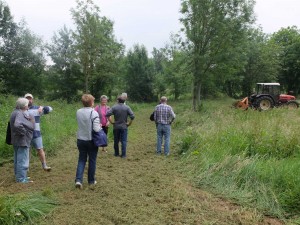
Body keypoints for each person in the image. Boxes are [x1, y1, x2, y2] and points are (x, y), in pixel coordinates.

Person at [75, 94, 101, 189]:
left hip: (80, 139)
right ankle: (91, 181)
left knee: (81, 159)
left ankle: (78, 180)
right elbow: (96, 129)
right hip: (91, 140)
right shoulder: (94, 113)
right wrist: (100, 126)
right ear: (91, 102)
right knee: (92, 160)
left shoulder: (78, 112)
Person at [25, 93, 52, 171]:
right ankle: (26, 168)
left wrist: (42, 107)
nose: (28, 100)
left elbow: (50, 109)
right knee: (27, 151)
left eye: (30, 98)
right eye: (27, 98)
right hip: (26, 134)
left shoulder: (37, 108)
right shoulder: (22, 109)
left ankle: (44, 166)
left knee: (40, 150)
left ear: (32, 100)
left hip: (36, 133)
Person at [10, 97, 35, 183]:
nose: (28, 106)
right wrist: (23, 132)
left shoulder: (15, 112)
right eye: (27, 104)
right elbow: (17, 125)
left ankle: (19, 176)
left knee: (17, 159)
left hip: (16, 139)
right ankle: (21, 179)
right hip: (22, 140)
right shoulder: (20, 113)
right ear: (24, 106)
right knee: (22, 160)